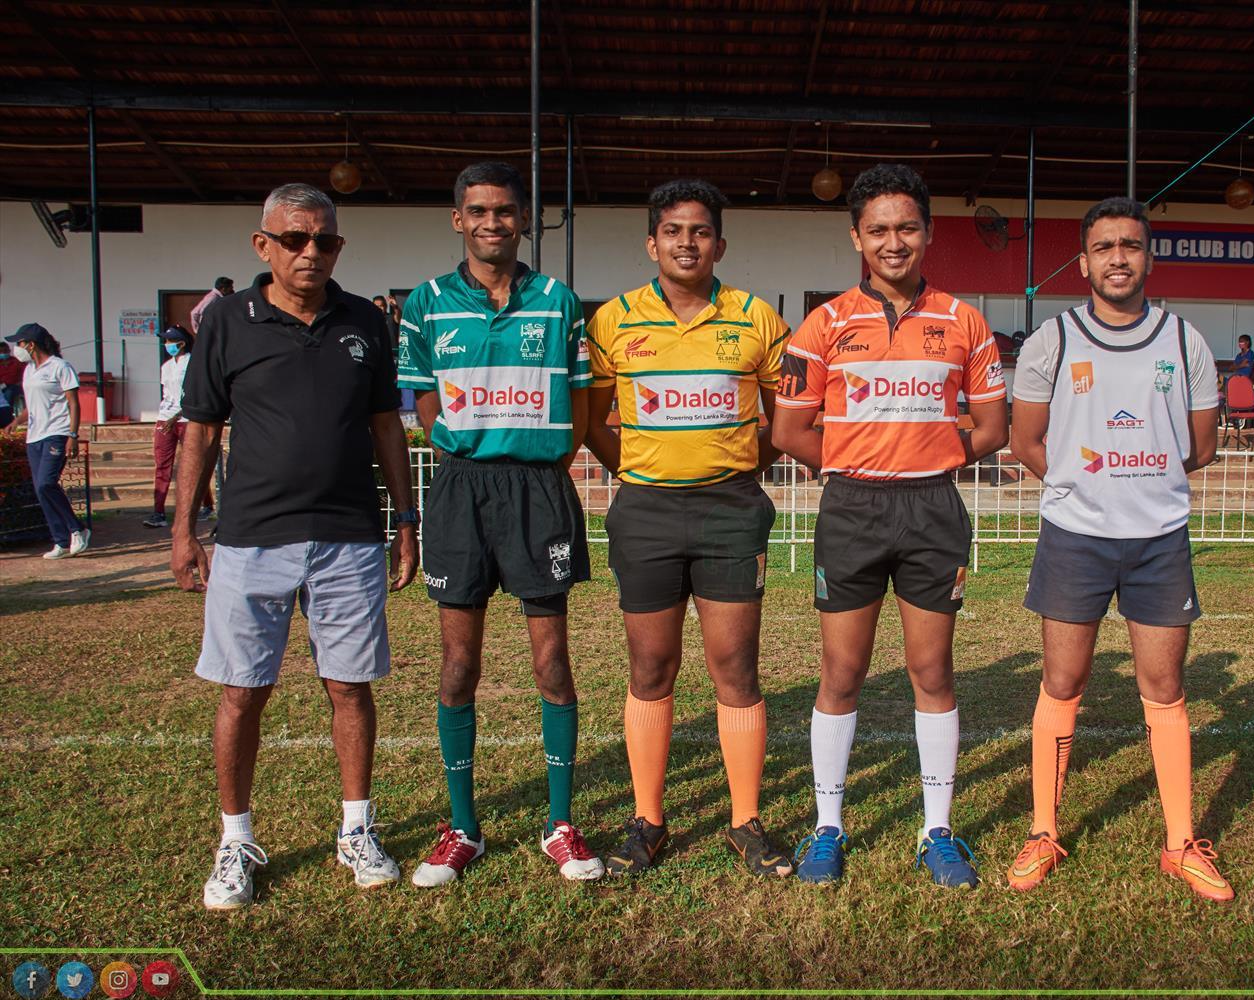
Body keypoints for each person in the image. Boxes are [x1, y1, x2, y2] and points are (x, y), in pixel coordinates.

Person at [172, 183, 418, 910]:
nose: (311, 252)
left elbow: (385, 428)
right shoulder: (225, 323)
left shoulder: (366, 324)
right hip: (251, 540)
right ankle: (235, 839)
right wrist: (185, 527)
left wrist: (405, 521)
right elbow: (201, 431)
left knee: (350, 685)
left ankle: (356, 829)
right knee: (243, 691)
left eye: (326, 240)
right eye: (294, 239)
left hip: (347, 537)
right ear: (263, 245)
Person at [773, 164, 1009, 887]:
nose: (894, 240)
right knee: (841, 673)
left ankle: (937, 830)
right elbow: (788, 430)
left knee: (931, 671)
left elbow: (994, 426)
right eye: (878, 229)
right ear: (856, 236)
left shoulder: (964, 320)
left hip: (933, 508)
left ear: (928, 233)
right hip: (852, 508)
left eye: (907, 227)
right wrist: (848, 465)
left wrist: (928, 459)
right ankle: (827, 828)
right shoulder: (823, 324)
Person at [1004, 196, 1231, 902]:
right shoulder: (1053, 341)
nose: (1119, 258)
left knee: (1164, 690)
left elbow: (1201, 446)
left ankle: (1179, 843)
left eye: (1131, 245)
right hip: (1075, 537)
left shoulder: (1184, 340)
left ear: (1149, 256)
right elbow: (1025, 441)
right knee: (1062, 684)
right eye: (1104, 247)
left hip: (1159, 539)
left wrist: (1142, 482)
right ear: (1084, 261)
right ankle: (1043, 831)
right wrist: (1085, 484)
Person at [397, 161, 603, 886]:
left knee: (552, 664)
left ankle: (561, 825)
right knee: (459, 667)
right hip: (461, 490)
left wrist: (540, 459)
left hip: (537, 488)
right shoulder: (424, 303)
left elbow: (580, 404)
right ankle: (463, 828)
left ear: (523, 220)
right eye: (478, 211)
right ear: (459, 219)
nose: (492, 223)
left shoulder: (557, 301)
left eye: (505, 211)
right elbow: (419, 397)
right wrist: (458, 442)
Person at [584, 179, 794, 878]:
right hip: (644, 511)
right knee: (651, 666)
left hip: (731, 509)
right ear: (652, 243)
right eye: (673, 231)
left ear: (720, 244)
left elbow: (784, 421)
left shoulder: (755, 317)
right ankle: (649, 820)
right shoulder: (612, 321)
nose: (686, 242)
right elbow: (591, 421)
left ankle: (745, 822)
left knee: (735, 667)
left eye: (700, 231)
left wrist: (737, 467)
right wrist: (637, 471)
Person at [6, 323, 88, 559]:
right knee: (41, 490)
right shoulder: (29, 369)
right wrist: (17, 421)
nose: (16, 348)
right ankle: (60, 541)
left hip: (57, 432)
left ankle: (77, 528)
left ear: (31, 344)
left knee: (46, 483)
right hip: (35, 435)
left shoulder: (60, 367)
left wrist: (73, 434)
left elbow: (73, 402)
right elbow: (32, 405)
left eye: (19, 343)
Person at [143, 326, 214, 528]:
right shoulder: (166, 366)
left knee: (193, 464)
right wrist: (166, 417)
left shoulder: (193, 362)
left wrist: (176, 416)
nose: (167, 345)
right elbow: (167, 394)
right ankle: (159, 512)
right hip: (165, 418)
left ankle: (206, 504)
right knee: (162, 465)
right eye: (165, 341)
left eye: (170, 341)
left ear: (181, 343)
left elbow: (194, 394)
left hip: (186, 419)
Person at [0, 339, 24, 430]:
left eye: (5, 351)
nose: (3, 353)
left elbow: (26, 374)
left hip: (15, 386)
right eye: (1, 352)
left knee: (9, 393)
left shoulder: (16, 362)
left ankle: (8, 413)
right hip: (2, 387)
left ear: (9, 351)